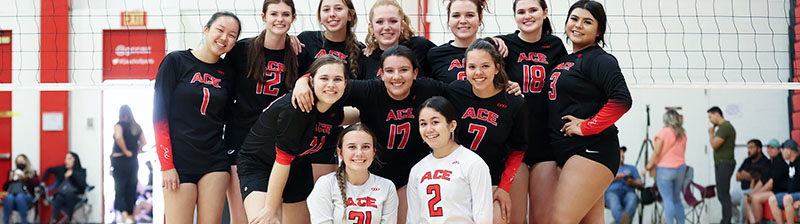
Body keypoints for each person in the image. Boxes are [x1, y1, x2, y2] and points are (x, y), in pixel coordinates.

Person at [546, 1, 633, 222]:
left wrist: (586, 126)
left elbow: (622, 100)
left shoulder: (600, 59)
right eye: (574, 19)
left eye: (587, 22)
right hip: (569, 153)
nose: (578, 25)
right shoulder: (566, 59)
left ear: (599, 30)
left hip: (591, 151)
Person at [237, 55, 349, 224]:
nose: (331, 85)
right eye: (324, 78)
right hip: (261, 165)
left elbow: (348, 116)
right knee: (267, 221)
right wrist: (271, 209)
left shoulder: (332, 108)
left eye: (338, 79)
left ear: (346, 83)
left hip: (297, 166)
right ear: (311, 81)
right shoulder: (297, 108)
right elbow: (282, 160)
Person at [153, 11, 240, 223]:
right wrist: (166, 166)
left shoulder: (229, 73)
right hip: (179, 162)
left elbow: (229, 117)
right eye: (220, 30)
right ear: (206, 29)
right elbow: (159, 117)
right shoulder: (176, 61)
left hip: (214, 161)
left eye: (232, 35)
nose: (224, 38)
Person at [223, 1, 299, 222]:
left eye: (286, 14)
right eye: (274, 13)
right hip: (241, 140)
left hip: (277, 145)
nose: (280, 19)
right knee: (241, 218)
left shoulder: (298, 53)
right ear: (263, 16)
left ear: (293, 18)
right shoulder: (241, 50)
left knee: (273, 216)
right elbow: (224, 92)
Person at [496, 0, 568, 222]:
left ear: (545, 13)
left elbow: (566, 85)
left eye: (533, 10)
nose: (527, 16)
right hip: (513, 143)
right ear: (515, 16)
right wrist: (489, 41)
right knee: (515, 218)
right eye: (521, 11)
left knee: (542, 219)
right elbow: (481, 65)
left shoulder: (555, 46)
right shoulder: (504, 44)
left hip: (545, 142)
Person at [445, 38, 527, 223]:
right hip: (457, 179)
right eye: (472, 67)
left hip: (492, 180)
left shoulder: (514, 103)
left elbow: (518, 150)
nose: (478, 73)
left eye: (485, 66)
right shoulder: (454, 92)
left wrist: (504, 188)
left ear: (497, 68)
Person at [407, 96, 493, 223]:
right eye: (423, 124)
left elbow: (483, 216)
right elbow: (413, 219)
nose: (429, 129)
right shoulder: (417, 170)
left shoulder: (473, 163)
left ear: (452, 125)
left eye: (435, 122)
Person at [307, 123, 399, 224]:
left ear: (373, 152)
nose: (359, 153)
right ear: (340, 153)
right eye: (352, 147)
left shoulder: (387, 187)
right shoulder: (325, 185)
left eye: (366, 147)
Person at [423, 0, 507, 83]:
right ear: (449, 20)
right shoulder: (435, 55)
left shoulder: (495, 50)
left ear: (480, 19)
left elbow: (504, 84)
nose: (463, 21)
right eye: (456, 15)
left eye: (469, 15)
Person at [359, 0, 436, 78]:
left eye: (393, 21)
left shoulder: (419, 46)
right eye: (379, 22)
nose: (387, 27)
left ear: (402, 25)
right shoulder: (367, 58)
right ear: (371, 27)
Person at [642, 109, 686, 224]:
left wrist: (647, 168)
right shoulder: (682, 134)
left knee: (667, 200)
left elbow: (656, 152)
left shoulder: (663, 132)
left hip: (665, 169)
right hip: (681, 168)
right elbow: (682, 152)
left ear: (666, 119)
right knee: (677, 199)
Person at [111, 105, 146, 224]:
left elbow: (118, 137)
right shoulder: (136, 127)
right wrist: (136, 150)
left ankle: (125, 217)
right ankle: (129, 216)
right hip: (133, 162)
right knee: (131, 188)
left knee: (120, 188)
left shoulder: (119, 125)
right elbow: (144, 143)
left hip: (120, 160)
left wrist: (126, 151)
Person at [746, 139, 788, 223]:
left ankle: (758, 221)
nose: (769, 150)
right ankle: (752, 221)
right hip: (771, 190)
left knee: (755, 198)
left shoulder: (780, 163)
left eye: (772, 148)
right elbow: (763, 180)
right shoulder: (768, 163)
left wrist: (757, 193)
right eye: (768, 147)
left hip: (779, 191)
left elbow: (770, 184)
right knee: (747, 198)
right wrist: (753, 191)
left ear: (778, 150)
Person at [708, 106, 737, 224]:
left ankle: (726, 221)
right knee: (721, 192)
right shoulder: (722, 128)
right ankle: (725, 219)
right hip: (721, 163)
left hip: (725, 163)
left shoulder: (725, 127)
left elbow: (715, 144)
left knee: (723, 193)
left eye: (710, 116)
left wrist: (711, 134)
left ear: (717, 114)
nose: (710, 120)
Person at [47, 152, 88, 223]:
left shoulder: (81, 171)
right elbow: (49, 170)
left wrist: (72, 175)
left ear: (75, 160)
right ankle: (53, 220)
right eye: (66, 159)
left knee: (70, 196)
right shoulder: (63, 170)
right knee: (59, 197)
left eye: (69, 158)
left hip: (76, 196)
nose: (66, 161)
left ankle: (70, 220)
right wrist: (43, 181)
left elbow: (82, 186)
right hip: (62, 196)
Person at [606, 146, 643, 224]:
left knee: (633, 199)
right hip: (612, 192)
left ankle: (619, 222)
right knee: (614, 202)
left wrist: (631, 182)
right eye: (620, 152)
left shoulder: (631, 168)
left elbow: (640, 183)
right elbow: (601, 182)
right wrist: (614, 177)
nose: (622, 154)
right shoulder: (608, 167)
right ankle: (623, 222)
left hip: (628, 192)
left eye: (623, 153)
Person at [767, 140, 800, 224]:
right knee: (772, 199)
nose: (781, 152)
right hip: (792, 194)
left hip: (797, 195)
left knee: (787, 198)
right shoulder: (791, 164)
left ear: (789, 150)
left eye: (783, 150)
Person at [3, 154, 40, 224]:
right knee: (8, 197)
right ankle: (6, 221)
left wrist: (24, 178)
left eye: (22, 161)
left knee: (20, 197)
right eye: (18, 162)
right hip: (13, 197)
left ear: (26, 162)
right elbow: (5, 188)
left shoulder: (32, 173)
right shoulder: (13, 173)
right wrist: (10, 180)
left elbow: (36, 183)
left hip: (27, 197)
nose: (20, 163)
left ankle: (24, 221)